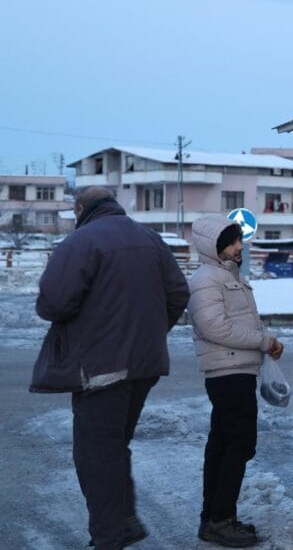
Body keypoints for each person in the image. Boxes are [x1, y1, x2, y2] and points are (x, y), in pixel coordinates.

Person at [31, 186, 190, 550]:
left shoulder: (80, 242)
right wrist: (148, 333)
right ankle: (125, 519)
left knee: (96, 455)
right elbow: (179, 293)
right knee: (115, 446)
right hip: (144, 366)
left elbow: (53, 303)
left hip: (101, 368)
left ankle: (108, 537)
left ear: (82, 208)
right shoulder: (150, 239)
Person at [188, 216, 284, 548]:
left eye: (238, 240)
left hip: (237, 371)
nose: (239, 246)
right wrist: (263, 340)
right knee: (239, 443)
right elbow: (216, 327)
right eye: (231, 242)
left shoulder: (228, 276)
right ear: (214, 246)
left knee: (223, 444)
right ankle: (219, 519)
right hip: (227, 373)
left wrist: (265, 341)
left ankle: (213, 517)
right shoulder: (207, 279)